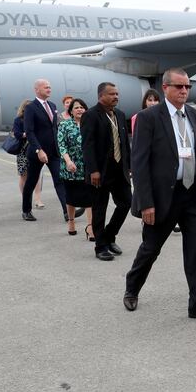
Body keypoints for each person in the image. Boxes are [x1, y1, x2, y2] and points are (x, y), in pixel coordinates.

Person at [125, 68, 196, 322]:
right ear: (165, 88)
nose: (184, 91)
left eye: (187, 87)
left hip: (191, 194)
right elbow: (139, 163)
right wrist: (146, 202)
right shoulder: (149, 117)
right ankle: (132, 288)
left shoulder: (194, 115)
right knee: (151, 248)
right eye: (179, 86)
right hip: (162, 197)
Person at [81, 83, 132, 261]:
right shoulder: (90, 115)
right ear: (101, 96)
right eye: (112, 94)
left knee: (127, 203)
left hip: (120, 171)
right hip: (100, 173)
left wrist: (130, 166)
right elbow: (87, 145)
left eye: (117, 93)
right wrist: (93, 170)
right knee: (99, 209)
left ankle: (109, 236)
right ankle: (100, 246)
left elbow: (125, 143)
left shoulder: (120, 114)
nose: (116, 97)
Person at [21, 79, 68, 222]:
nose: (49, 89)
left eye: (50, 87)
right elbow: (29, 131)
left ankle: (67, 211)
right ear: (37, 90)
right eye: (46, 87)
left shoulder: (52, 106)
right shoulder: (30, 107)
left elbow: (54, 128)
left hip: (53, 152)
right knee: (31, 181)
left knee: (60, 180)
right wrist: (38, 150)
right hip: (37, 153)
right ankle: (26, 210)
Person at [58, 98, 94, 238]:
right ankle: (71, 222)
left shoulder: (90, 124)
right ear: (71, 111)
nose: (80, 110)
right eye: (77, 107)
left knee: (90, 197)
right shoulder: (65, 125)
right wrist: (68, 161)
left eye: (82, 107)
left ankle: (91, 227)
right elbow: (62, 146)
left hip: (88, 167)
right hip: (71, 167)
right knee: (71, 197)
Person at [13, 100, 44, 210]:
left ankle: (37, 199)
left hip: (35, 149)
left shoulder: (36, 119)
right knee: (23, 175)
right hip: (22, 150)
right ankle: (25, 198)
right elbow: (16, 134)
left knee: (37, 175)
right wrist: (27, 134)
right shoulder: (18, 120)